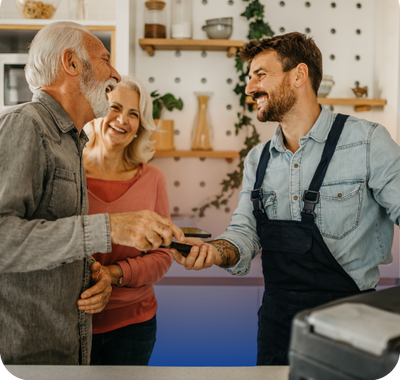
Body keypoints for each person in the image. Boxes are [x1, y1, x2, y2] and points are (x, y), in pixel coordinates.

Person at [171, 32, 400, 365]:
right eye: (249, 78)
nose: (249, 88)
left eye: (260, 75)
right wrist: (214, 252)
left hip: (352, 327)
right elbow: (244, 233)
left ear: (299, 75)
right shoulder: (257, 159)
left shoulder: (367, 143)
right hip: (277, 325)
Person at [0, 21, 183, 366]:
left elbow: (52, 243)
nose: (114, 73)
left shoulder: (70, 142)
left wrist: (96, 278)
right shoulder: (25, 125)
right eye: (104, 59)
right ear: (71, 63)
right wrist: (109, 227)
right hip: (30, 354)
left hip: (65, 346)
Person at [83, 75, 172, 365]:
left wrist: (113, 274)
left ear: (139, 127)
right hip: (73, 320)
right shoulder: (69, 172)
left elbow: (161, 256)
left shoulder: (153, 179)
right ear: (97, 110)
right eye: (115, 107)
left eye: (133, 114)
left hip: (135, 324)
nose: (122, 119)